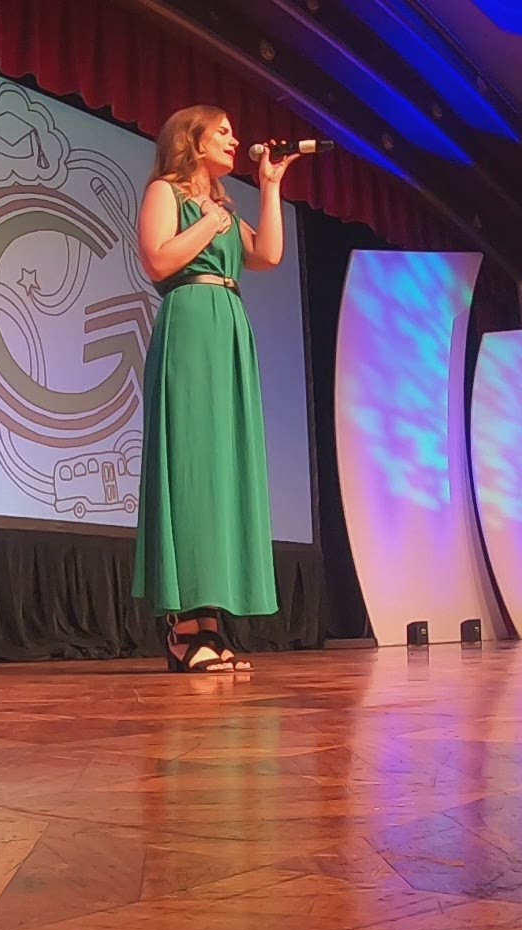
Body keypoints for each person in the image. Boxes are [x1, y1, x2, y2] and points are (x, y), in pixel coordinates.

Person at [131, 106, 297, 673]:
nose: (235, 139)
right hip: (191, 323)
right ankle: (184, 626)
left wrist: (270, 188)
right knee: (193, 466)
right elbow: (157, 261)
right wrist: (206, 223)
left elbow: (269, 255)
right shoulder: (167, 192)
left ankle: (212, 620)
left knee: (225, 472)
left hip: (228, 326)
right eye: (223, 132)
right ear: (191, 141)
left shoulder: (224, 206)